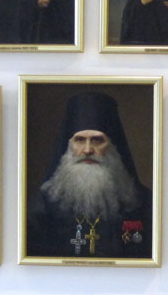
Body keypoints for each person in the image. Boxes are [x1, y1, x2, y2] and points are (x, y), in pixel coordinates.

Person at [27, 92, 152, 258]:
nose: (87, 150)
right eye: (79, 140)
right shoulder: (43, 202)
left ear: (113, 146)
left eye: (97, 140)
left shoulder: (142, 201)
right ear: (69, 146)